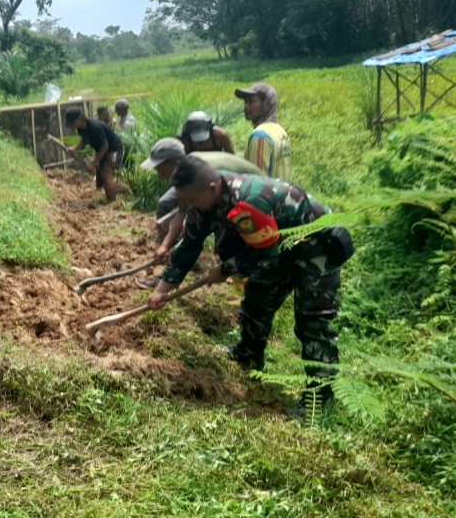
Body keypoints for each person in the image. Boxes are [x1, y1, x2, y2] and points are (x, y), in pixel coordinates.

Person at [147, 157, 354, 414]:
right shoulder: (203, 199)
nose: (188, 206)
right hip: (276, 243)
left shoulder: (246, 202)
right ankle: (248, 354)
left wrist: (224, 270)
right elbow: (189, 245)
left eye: (190, 200)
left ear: (212, 189)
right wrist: (161, 290)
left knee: (313, 322)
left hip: (316, 245)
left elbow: (264, 254)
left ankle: (319, 399)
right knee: (257, 299)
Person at [135, 138, 263, 287]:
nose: (159, 174)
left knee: (236, 245)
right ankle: (170, 279)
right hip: (225, 195)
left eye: (160, 169)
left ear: (174, 164)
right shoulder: (186, 176)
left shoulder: (200, 174)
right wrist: (165, 245)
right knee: (206, 240)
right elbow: (182, 211)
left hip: (252, 197)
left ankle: (251, 285)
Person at [65, 108, 123, 203]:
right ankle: (105, 195)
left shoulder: (95, 127)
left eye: (72, 122)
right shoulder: (81, 128)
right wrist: (75, 149)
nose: (72, 126)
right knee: (102, 171)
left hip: (114, 151)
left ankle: (113, 203)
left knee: (106, 173)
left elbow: (105, 145)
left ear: (80, 119)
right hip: (104, 151)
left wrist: (93, 163)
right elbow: (85, 140)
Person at [235, 82, 291, 180]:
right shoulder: (281, 132)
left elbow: (258, 181)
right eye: (245, 102)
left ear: (266, 103)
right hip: (280, 192)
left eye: (251, 101)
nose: (246, 107)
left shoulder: (260, 136)